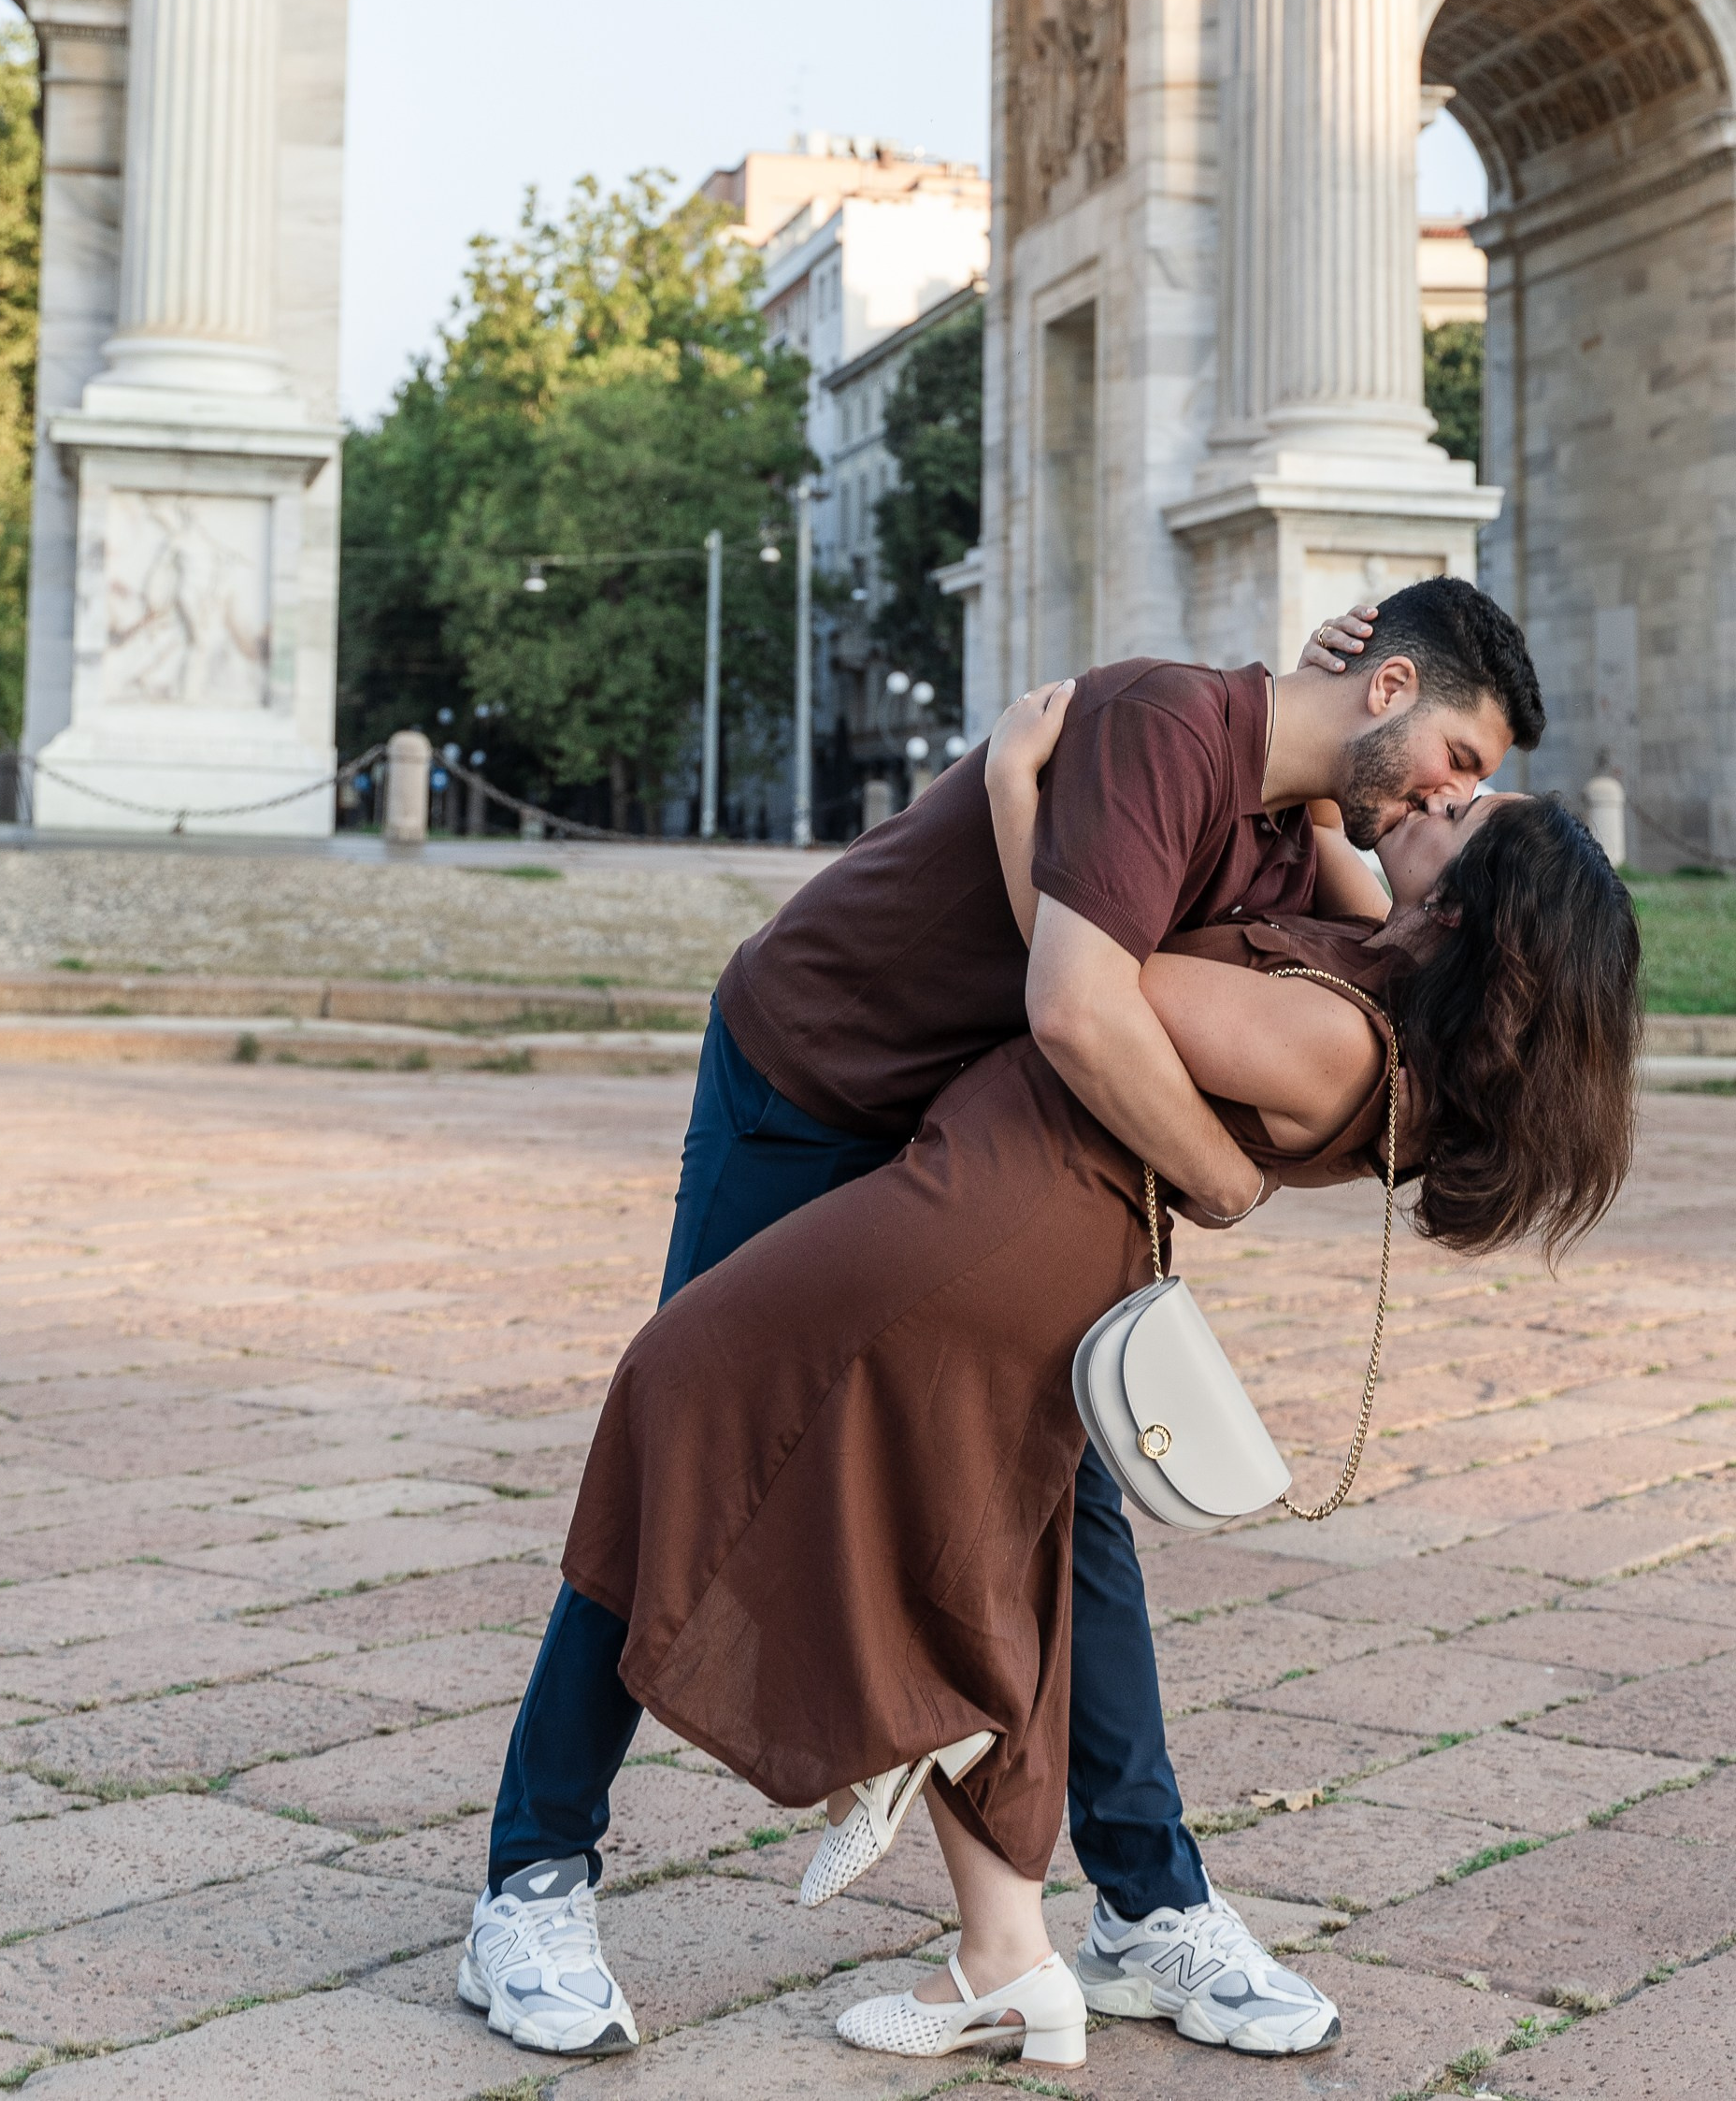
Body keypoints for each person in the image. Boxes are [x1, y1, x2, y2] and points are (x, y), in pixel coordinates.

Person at [462, 580, 1545, 2055]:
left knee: (1070, 1495)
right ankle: (529, 1881)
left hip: (975, 1147)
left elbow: (1383, 923)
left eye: (1470, 785)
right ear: (1390, 685)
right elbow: (1080, 1010)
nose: (1454, 787)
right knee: (693, 1436)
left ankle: (1149, 1905)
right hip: (815, 1081)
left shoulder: (1298, 823)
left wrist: (1356, 790)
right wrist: (1223, 1178)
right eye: (1461, 755)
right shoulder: (1168, 726)